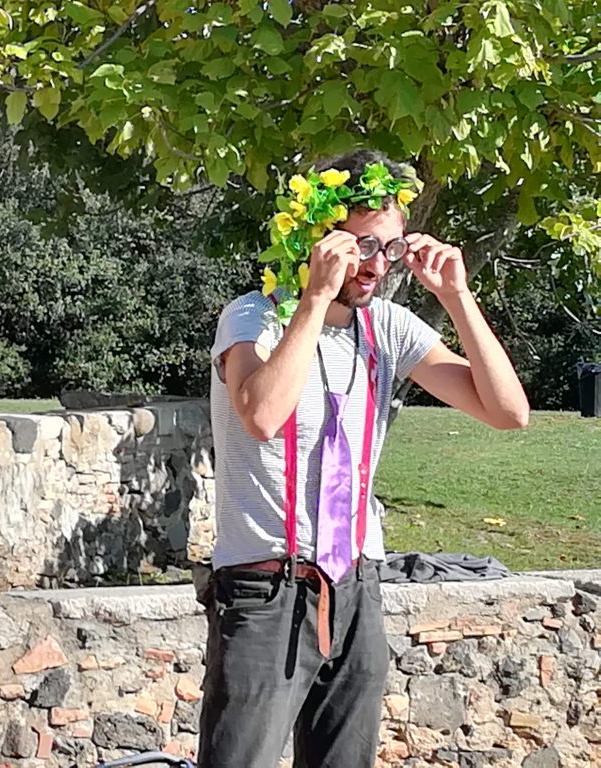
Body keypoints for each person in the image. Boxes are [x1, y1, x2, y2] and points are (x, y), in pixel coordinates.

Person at [198, 150, 529, 767]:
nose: (378, 265)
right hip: (265, 587)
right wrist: (314, 299)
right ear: (318, 240)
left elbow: (509, 411)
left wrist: (457, 297)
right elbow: (262, 415)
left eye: (390, 247)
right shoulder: (254, 316)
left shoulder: (389, 327)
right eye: (362, 246)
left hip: (355, 583)